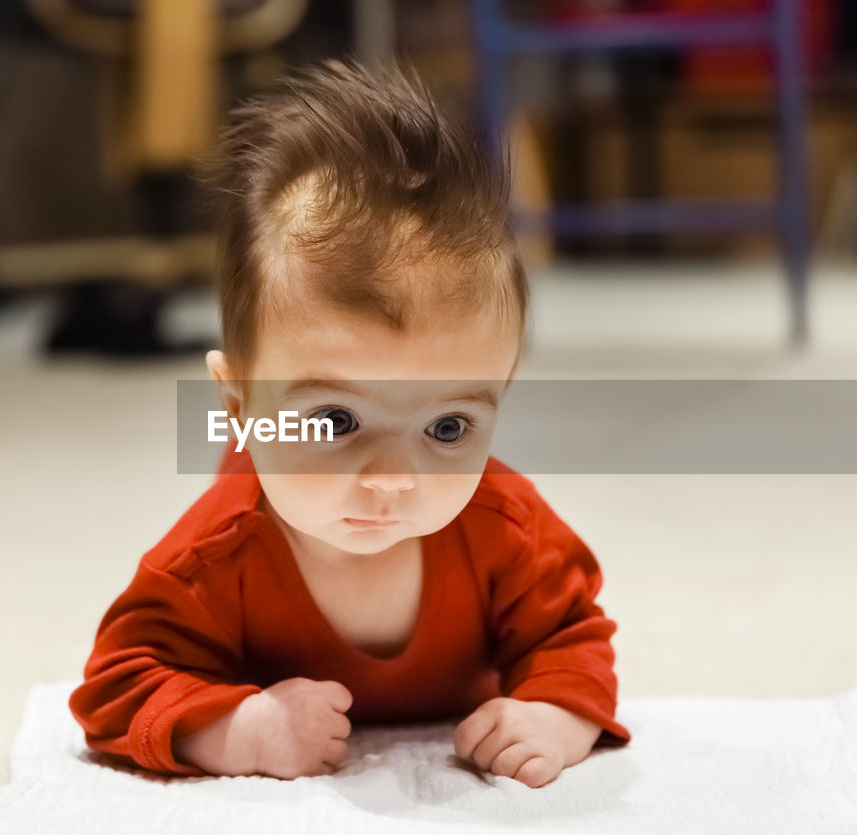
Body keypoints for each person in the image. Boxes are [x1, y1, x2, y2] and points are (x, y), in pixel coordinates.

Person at [68, 58, 631, 788]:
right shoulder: (213, 558)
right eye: (336, 420)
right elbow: (117, 684)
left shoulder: (506, 528)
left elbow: (574, 635)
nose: (393, 479)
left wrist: (555, 715)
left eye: (449, 427)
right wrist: (235, 729)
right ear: (237, 406)